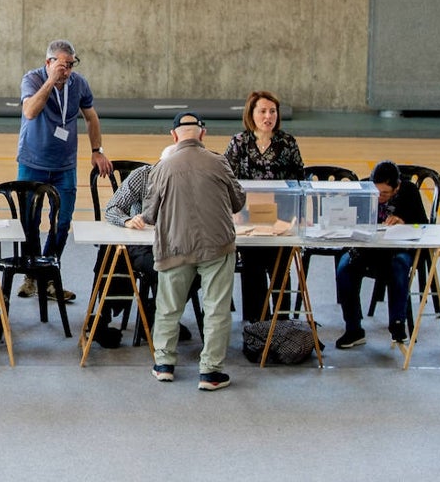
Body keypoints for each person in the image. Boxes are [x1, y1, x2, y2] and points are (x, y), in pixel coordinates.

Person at [125, 111, 246, 391]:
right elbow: (238, 201)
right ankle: (211, 372)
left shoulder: (162, 168)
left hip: (175, 244)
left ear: (174, 135)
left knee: (169, 307)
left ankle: (164, 365)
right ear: (202, 133)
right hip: (217, 244)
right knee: (216, 309)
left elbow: (150, 214)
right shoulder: (219, 162)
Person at [16, 39, 111, 302]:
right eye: (62, 65)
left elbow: (91, 117)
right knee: (29, 221)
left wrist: (97, 150)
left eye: (70, 65)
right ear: (48, 63)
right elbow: (31, 111)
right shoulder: (33, 79)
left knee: (62, 222)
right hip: (32, 161)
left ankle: (49, 272)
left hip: (64, 165)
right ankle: (32, 274)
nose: (67, 71)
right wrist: (51, 82)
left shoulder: (78, 83)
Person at [223, 90, 305, 323]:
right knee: (252, 269)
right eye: (263, 111)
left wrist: (298, 215)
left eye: (273, 111)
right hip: (248, 218)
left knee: (280, 270)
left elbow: (299, 179)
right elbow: (226, 181)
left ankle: (281, 322)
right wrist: (234, 212)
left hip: (281, 218)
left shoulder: (287, 143)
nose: (268, 116)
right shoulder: (239, 142)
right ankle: (256, 323)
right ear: (252, 114)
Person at [99, 152, 192, 346]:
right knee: (166, 269)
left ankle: (155, 312)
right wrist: (127, 220)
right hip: (143, 246)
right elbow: (112, 208)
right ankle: (157, 315)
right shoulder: (142, 175)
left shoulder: (189, 182)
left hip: (177, 245)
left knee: (200, 268)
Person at [333, 160, 428, 349]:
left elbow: (423, 225)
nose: (380, 197)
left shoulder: (409, 192)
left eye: (385, 193)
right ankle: (353, 329)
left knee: (399, 266)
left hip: (397, 250)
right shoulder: (363, 188)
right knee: (344, 267)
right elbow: (349, 220)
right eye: (376, 192)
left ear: (397, 187)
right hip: (367, 250)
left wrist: (404, 222)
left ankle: (397, 324)